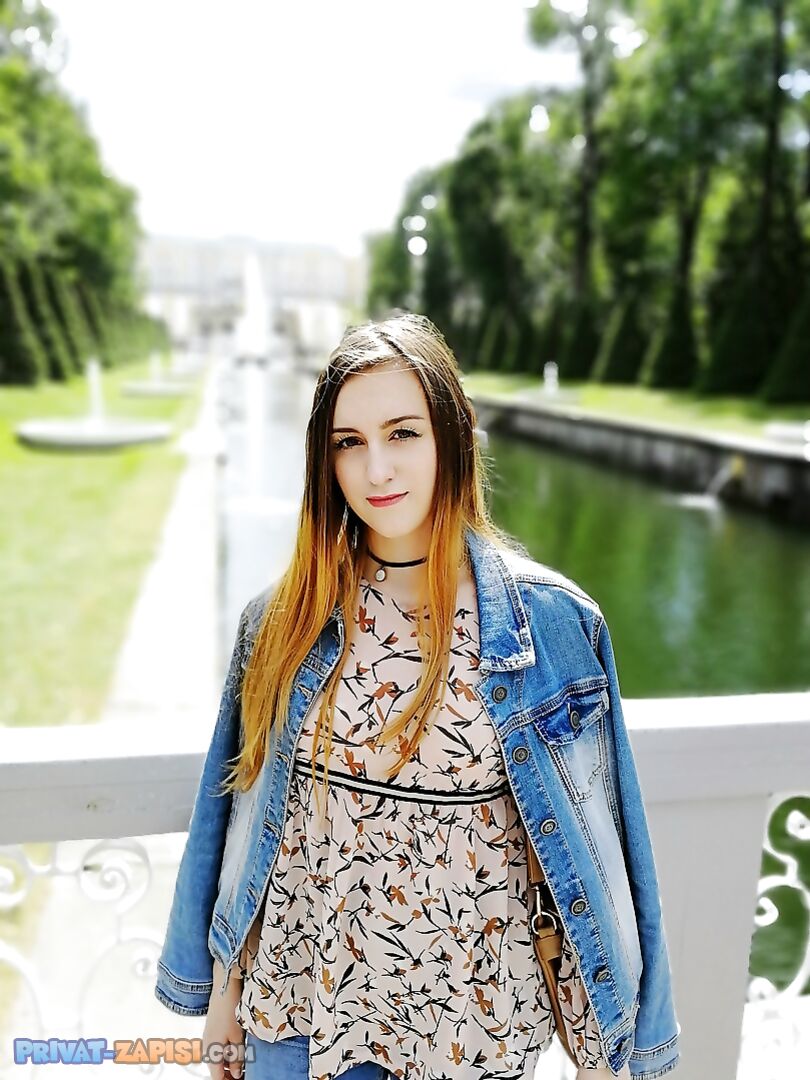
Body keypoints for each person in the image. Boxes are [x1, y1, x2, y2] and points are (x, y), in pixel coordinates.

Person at [154, 312, 681, 1080]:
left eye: (402, 433)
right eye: (349, 443)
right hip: (299, 1014)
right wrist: (223, 997)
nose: (377, 470)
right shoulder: (281, 621)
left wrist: (606, 1055)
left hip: (470, 1030)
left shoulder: (553, 627)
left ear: (452, 436)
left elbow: (595, 843)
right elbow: (250, 822)